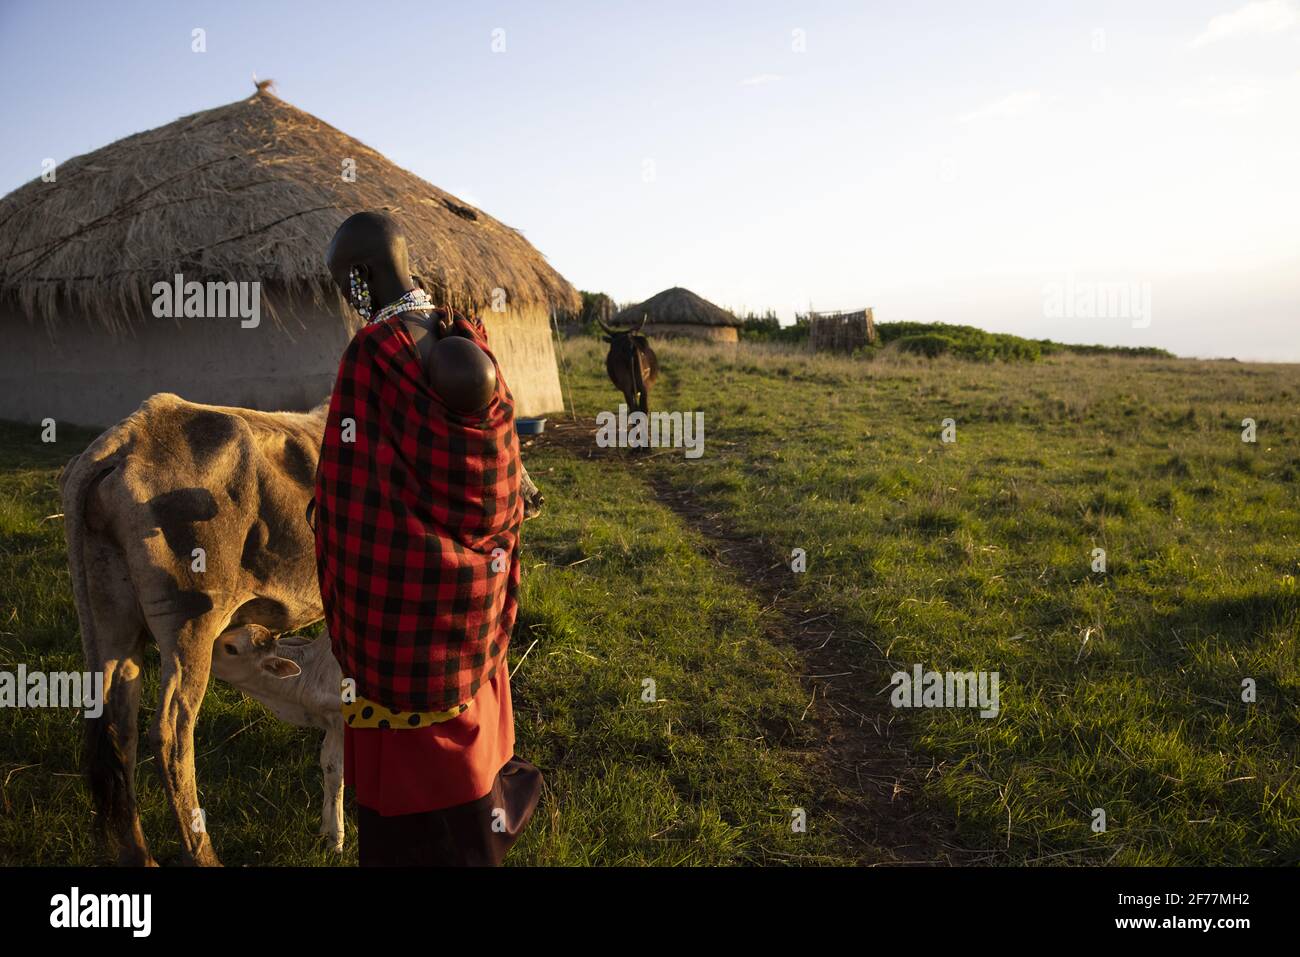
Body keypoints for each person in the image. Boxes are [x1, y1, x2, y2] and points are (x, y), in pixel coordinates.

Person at [312, 210, 542, 865]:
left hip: (402, 625)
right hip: (471, 618)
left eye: (344, 282)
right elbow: (495, 482)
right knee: (469, 802)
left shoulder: (374, 353)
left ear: (362, 274)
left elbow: (348, 501)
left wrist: (330, 521)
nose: (345, 297)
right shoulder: (464, 333)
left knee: (409, 834)